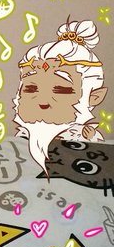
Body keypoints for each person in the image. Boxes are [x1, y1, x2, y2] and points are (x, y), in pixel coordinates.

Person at [13, 19, 107, 173]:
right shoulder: (25, 134)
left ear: (94, 97)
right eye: (30, 89)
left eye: (60, 91)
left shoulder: (85, 136)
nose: (42, 101)